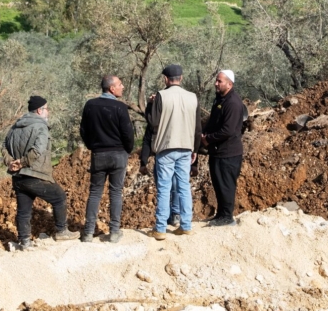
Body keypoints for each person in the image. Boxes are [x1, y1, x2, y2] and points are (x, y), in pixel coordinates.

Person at [3, 95, 80, 250]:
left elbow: (3, 147)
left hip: (18, 177)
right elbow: (38, 150)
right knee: (59, 197)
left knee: (24, 210)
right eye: (47, 109)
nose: (48, 112)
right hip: (35, 174)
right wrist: (23, 162)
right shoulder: (41, 127)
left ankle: (24, 241)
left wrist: (11, 162)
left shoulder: (14, 127)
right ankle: (61, 231)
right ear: (39, 110)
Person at [145, 64, 201, 240]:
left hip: (166, 147)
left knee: (164, 188)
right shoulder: (193, 97)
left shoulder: (161, 96)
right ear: (181, 78)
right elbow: (198, 127)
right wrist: (196, 149)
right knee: (184, 186)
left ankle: (160, 228)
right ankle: (186, 225)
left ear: (165, 79)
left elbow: (153, 121)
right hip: (186, 147)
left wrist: (150, 105)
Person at [79, 75, 135, 243]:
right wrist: (127, 150)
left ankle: (88, 232)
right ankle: (114, 232)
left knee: (95, 192)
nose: (122, 87)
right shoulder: (120, 107)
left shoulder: (90, 105)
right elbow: (128, 133)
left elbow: (83, 130)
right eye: (120, 84)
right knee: (115, 192)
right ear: (112, 88)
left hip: (99, 155)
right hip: (118, 155)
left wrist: (92, 146)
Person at [201, 70, 246, 227]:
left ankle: (227, 217)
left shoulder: (233, 103)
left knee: (226, 185)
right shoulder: (220, 100)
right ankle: (220, 214)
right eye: (216, 80)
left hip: (229, 153)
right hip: (218, 152)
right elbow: (214, 122)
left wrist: (208, 139)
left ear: (229, 84)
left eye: (219, 81)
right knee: (219, 184)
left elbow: (228, 130)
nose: (216, 83)